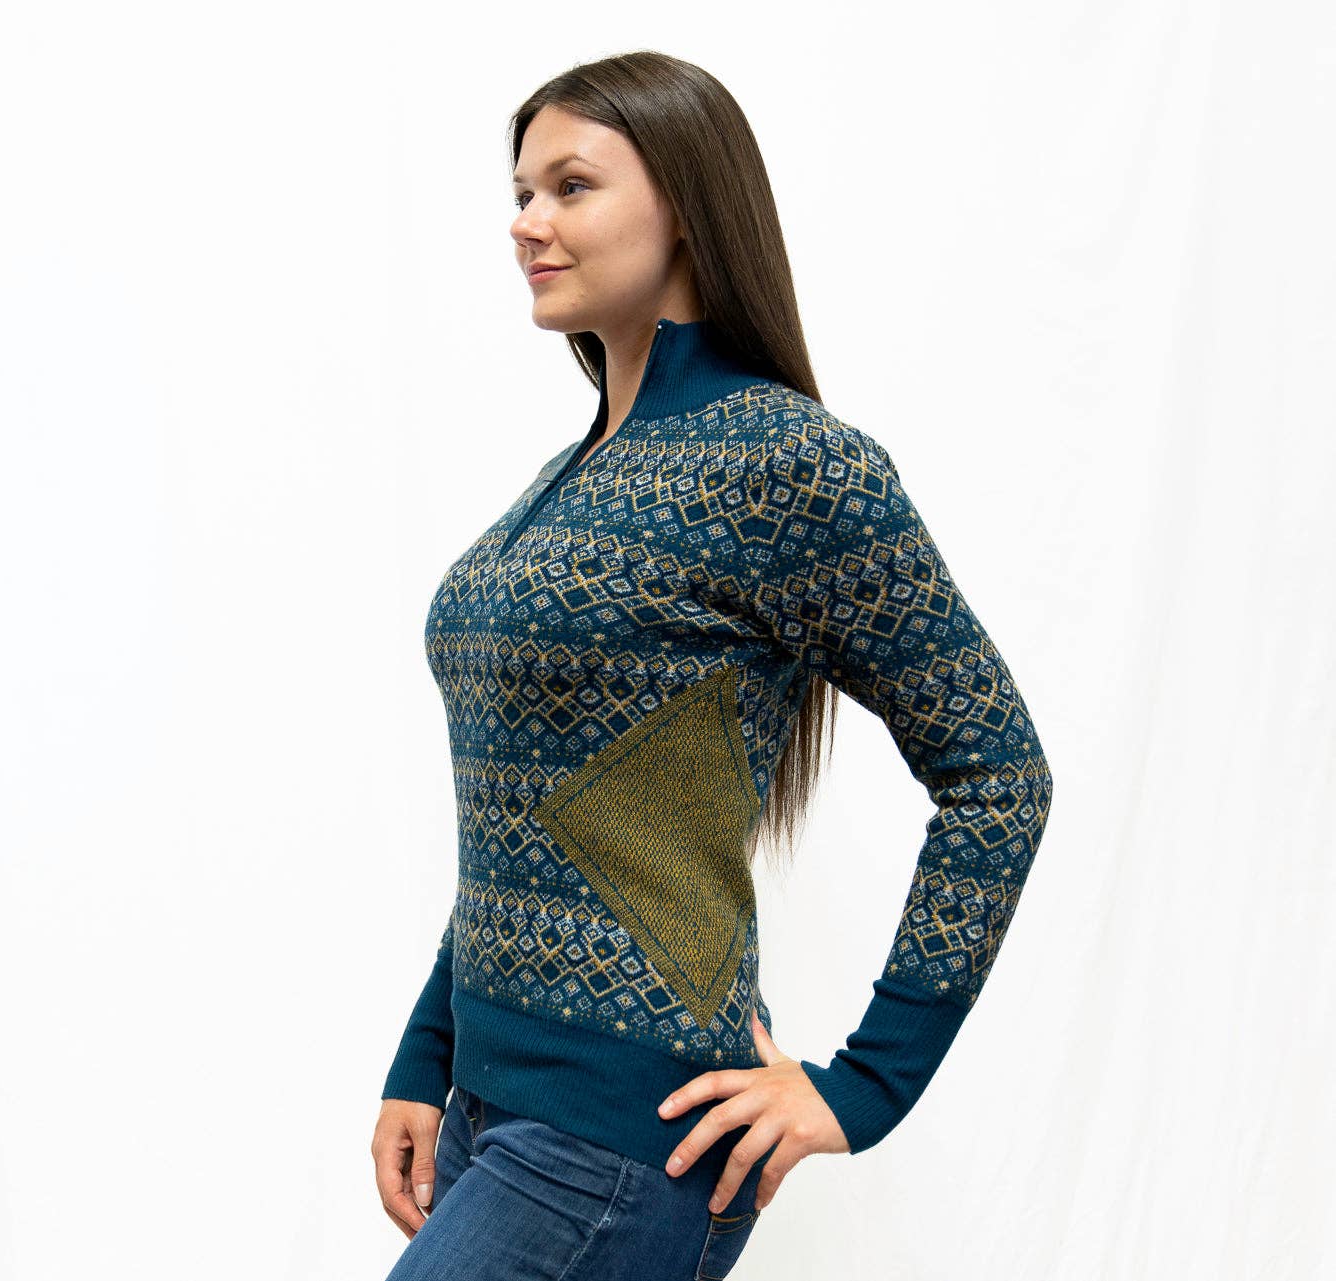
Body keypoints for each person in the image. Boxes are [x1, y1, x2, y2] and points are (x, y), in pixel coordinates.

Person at [371, 50, 1054, 1280]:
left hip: (622, 1143)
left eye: (570, 186)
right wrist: (428, 1058)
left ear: (685, 204)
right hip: (488, 1114)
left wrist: (862, 1087)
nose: (526, 222)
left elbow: (998, 773)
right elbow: (532, 813)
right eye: (520, 192)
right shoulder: (574, 472)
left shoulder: (789, 465)